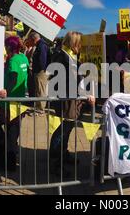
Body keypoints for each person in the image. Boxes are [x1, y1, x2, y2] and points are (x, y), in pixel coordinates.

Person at [49, 31, 95, 175]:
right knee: (63, 130)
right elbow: (64, 80)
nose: (81, 46)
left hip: (71, 98)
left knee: (67, 129)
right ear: (74, 43)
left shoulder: (70, 56)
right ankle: (56, 162)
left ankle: (63, 155)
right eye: (79, 42)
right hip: (66, 99)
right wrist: (84, 94)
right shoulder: (61, 56)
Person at [0, 36, 30, 172]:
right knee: (13, 132)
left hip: (9, 102)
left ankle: (2, 156)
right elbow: (26, 76)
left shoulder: (13, 60)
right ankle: (10, 162)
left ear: (9, 47)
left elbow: (13, 76)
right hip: (20, 101)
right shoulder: (23, 58)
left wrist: (7, 90)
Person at [29, 32, 49, 115]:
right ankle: (38, 107)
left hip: (41, 71)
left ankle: (40, 109)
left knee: (41, 90)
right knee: (38, 90)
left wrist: (39, 69)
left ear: (33, 39)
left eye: (30, 40)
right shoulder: (40, 45)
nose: (30, 42)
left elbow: (42, 60)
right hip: (39, 71)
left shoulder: (41, 45)